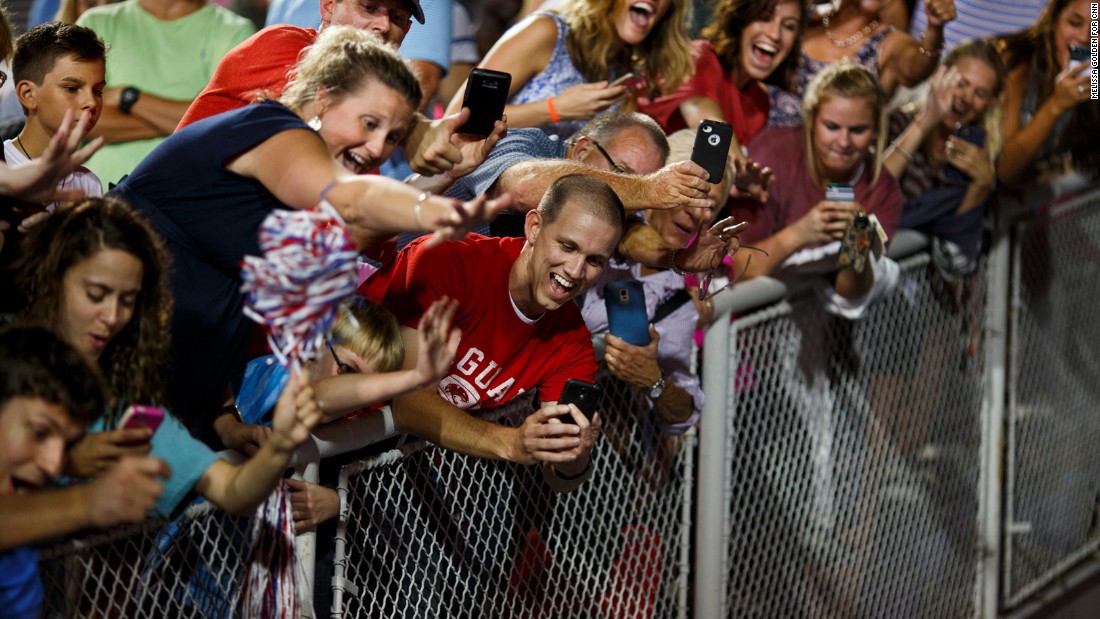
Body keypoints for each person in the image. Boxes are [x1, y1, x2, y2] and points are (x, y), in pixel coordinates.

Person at [112, 27, 507, 442]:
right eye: (369, 123)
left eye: (392, 137)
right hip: (102, 363)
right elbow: (353, 200)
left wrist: (224, 413)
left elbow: (354, 224)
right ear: (324, 97)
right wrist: (442, 211)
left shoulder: (303, 183)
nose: (377, 149)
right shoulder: (273, 131)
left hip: (172, 399)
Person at [14, 197, 323, 520]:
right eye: (96, 295)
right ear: (53, 277)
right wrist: (66, 459)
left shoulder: (126, 400)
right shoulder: (11, 357)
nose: (112, 316)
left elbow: (232, 491)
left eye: (128, 300)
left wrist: (280, 446)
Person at [361, 174, 624, 489]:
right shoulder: (449, 258)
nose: (575, 270)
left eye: (594, 261)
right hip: (319, 420)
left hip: (383, 462)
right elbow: (409, 402)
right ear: (534, 227)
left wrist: (575, 453)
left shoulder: (572, 342)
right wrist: (513, 444)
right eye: (567, 246)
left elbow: (560, 482)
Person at [178, 0, 493, 183]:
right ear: (329, 6)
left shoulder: (363, 136)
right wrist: (417, 129)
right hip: (167, 227)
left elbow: (363, 225)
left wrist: (446, 173)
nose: (383, 25)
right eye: (369, 6)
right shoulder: (282, 44)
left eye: (397, 18)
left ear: (406, 32)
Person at [419, 110, 740, 273]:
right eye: (622, 174)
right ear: (584, 149)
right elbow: (520, 188)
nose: (625, 190)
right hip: (394, 269)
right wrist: (648, 188)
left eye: (636, 182)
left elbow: (634, 236)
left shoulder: (614, 206)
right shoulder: (523, 142)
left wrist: (680, 258)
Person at [0, 326, 168, 619]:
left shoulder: (24, 527)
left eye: (66, 445)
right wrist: (86, 503)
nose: (54, 465)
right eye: (39, 432)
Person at [579, 128, 736, 436]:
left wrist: (654, 380)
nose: (699, 212)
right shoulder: (595, 223)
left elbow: (684, 414)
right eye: (692, 193)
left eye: (712, 205)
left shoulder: (679, 301)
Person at [732, 61, 902, 314]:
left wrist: (857, 238)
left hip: (821, 328)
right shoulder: (772, 155)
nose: (843, 142)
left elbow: (849, 294)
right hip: (744, 319)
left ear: (876, 129)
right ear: (812, 120)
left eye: (857, 130)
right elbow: (736, 267)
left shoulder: (882, 187)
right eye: (832, 127)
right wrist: (800, 233)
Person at [445, 0, 695, 140]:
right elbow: (458, 114)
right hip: (480, 194)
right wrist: (554, 109)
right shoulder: (547, 32)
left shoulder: (625, 73)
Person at [75, 0, 255, 189]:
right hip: (98, 198)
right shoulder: (97, 22)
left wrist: (127, 97)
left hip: (189, 200)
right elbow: (77, 118)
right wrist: (186, 120)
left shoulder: (236, 31)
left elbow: (226, 126)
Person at [884, 39, 1004, 278]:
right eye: (961, 83)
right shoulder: (897, 123)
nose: (966, 97)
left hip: (929, 296)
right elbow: (868, 191)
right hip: (879, 269)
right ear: (941, 74)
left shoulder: (979, 155)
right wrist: (925, 121)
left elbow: (956, 261)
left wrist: (981, 187)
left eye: (979, 93)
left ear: (990, 102)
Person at [640, 0, 806, 156]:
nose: (775, 34)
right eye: (764, 18)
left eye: (789, 26)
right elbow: (710, 128)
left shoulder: (760, 103)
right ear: (740, 19)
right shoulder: (699, 59)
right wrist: (743, 172)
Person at [769, 0, 957, 127]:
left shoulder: (889, 44)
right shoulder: (805, 19)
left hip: (831, 176)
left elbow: (918, 68)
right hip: (762, 156)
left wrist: (934, 28)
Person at [995, 0, 1098, 191]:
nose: (1084, 37)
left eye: (1096, 29)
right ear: (1054, 24)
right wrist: (1056, 105)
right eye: (1074, 23)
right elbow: (1005, 171)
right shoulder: (1019, 63)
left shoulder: (1093, 79)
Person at [5, 22, 106, 215]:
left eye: (97, 91)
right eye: (71, 88)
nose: (91, 102)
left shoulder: (88, 183)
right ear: (28, 94)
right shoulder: (4, 165)